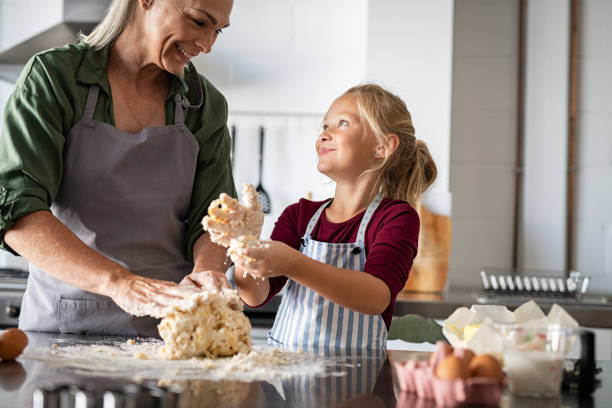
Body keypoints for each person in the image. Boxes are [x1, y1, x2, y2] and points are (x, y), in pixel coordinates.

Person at [0, 0, 236, 336]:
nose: (207, 46)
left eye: (218, 32)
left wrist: (208, 272)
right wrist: (119, 283)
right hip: (61, 332)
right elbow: (17, 211)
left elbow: (216, 221)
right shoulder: (55, 79)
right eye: (199, 22)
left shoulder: (205, 106)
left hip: (170, 333)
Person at [230, 84, 437, 351]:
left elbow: (375, 297)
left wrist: (292, 263)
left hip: (358, 383)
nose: (325, 134)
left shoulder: (396, 218)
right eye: (325, 125)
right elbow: (256, 295)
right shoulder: (299, 216)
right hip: (285, 380)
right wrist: (244, 247)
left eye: (342, 123)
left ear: (383, 146)